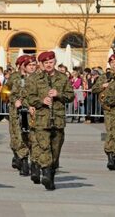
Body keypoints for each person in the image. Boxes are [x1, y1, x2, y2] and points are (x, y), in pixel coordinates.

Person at [26, 51, 74, 190]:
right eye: (46, 63)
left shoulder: (63, 78)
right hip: (41, 119)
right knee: (44, 147)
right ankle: (45, 172)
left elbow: (70, 96)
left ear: (55, 62)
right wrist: (41, 101)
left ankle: (51, 175)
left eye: (51, 62)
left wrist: (59, 94)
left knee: (56, 149)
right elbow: (30, 98)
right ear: (41, 64)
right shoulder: (34, 78)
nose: (48, 65)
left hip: (58, 119)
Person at [92, 54, 115, 170]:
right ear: (109, 63)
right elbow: (94, 89)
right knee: (111, 132)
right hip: (109, 109)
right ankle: (110, 155)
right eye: (112, 62)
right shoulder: (105, 76)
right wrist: (103, 85)